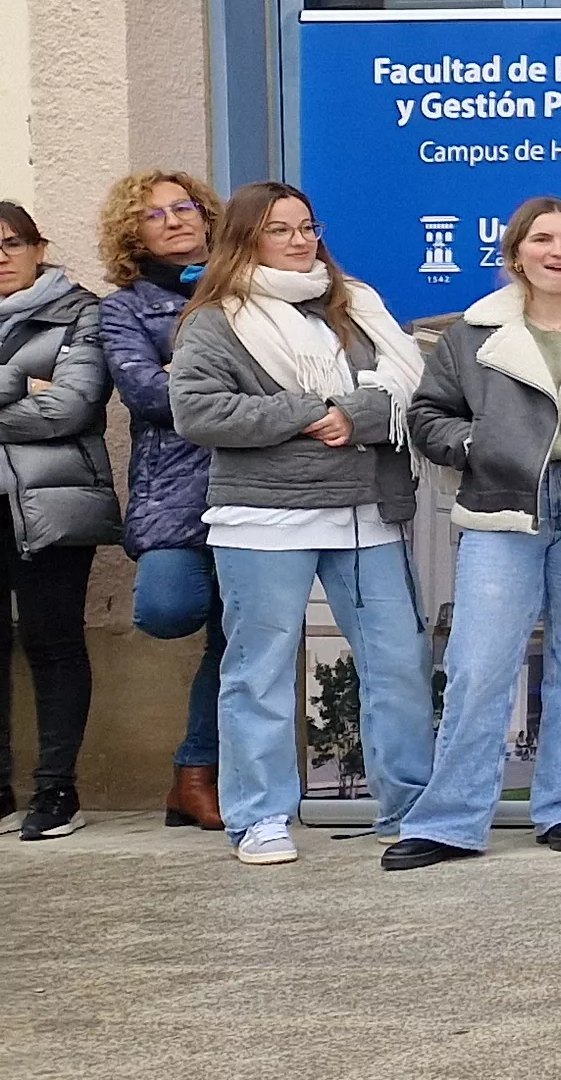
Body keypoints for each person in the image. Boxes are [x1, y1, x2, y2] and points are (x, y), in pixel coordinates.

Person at [167, 183, 430, 868]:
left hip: (365, 511)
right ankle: (259, 818)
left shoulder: (357, 309)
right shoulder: (215, 320)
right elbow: (200, 413)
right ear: (247, 238)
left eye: (307, 227)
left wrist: (354, 418)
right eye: (280, 229)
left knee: (398, 663)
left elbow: (403, 393)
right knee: (259, 672)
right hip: (261, 518)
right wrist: (308, 411)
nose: (299, 240)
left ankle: (410, 806)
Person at [395, 199, 561, 870]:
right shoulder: (471, 335)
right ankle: (450, 820)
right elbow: (428, 414)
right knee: (478, 667)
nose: (558, 251)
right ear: (516, 253)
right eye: (542, 239)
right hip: (504, 508)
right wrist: (476, 444)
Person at [101, 171, 227, 832]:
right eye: (154, 215)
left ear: (208, 218)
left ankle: (197, 772)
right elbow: (149, 395)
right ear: (134, 234)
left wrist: (191, 378)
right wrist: (222, 386)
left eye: (184, 208)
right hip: (174, 494)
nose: (174, 220)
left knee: (236, 636)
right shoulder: (122, 308)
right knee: (170, 608)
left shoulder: (245, 289)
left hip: (253, 487)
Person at [0, 201, 115, 840]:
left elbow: (66, 410)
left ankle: (55, 792)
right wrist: (21, 384)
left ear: (37, 247)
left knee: (52, 640)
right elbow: (35, 402)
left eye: (10, 243)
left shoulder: (80, 311)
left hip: (51, 501)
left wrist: (42, 396)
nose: (0, 257)